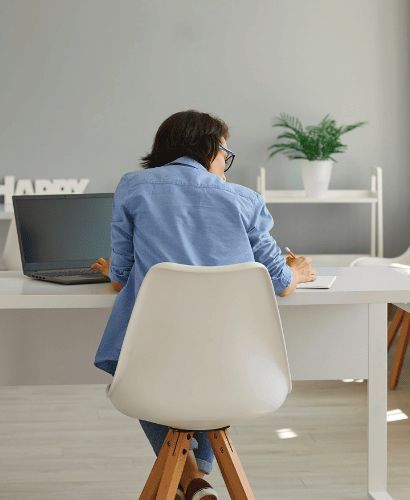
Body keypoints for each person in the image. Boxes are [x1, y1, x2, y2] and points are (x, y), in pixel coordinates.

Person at [91, 110, 316, 499]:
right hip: (234, 362)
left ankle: (191, 482)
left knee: (137, 372)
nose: (225, 165)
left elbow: (121, 280)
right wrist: (298, 271)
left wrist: (116, 268)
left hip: (155, 359)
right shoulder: (246, 199)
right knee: (212, 373)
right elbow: (280, 284)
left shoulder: (133, 187)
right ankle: (196, 480)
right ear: (210, 148)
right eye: (225, 154)